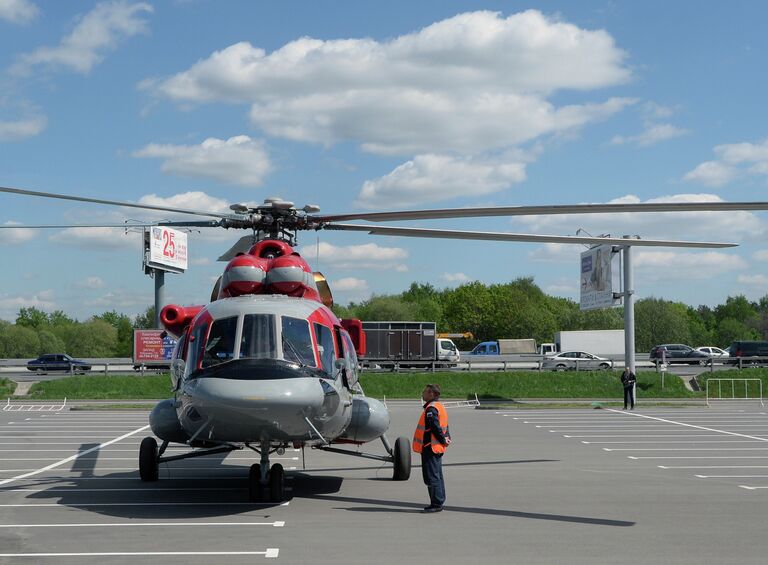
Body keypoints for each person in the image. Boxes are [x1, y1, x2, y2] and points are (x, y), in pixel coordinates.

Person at [413, 383, 451, 513]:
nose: (423, 393)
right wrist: (446, 439)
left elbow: (435, 427)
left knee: (432, 476)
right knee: (437, 475)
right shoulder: (439, 406)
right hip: (438, 447)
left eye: (425, 391)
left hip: (431, 447)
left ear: (432, 394)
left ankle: (436, 504)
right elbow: (445, 426)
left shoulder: (431, 409)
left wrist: (442, 439)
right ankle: (439, 500)